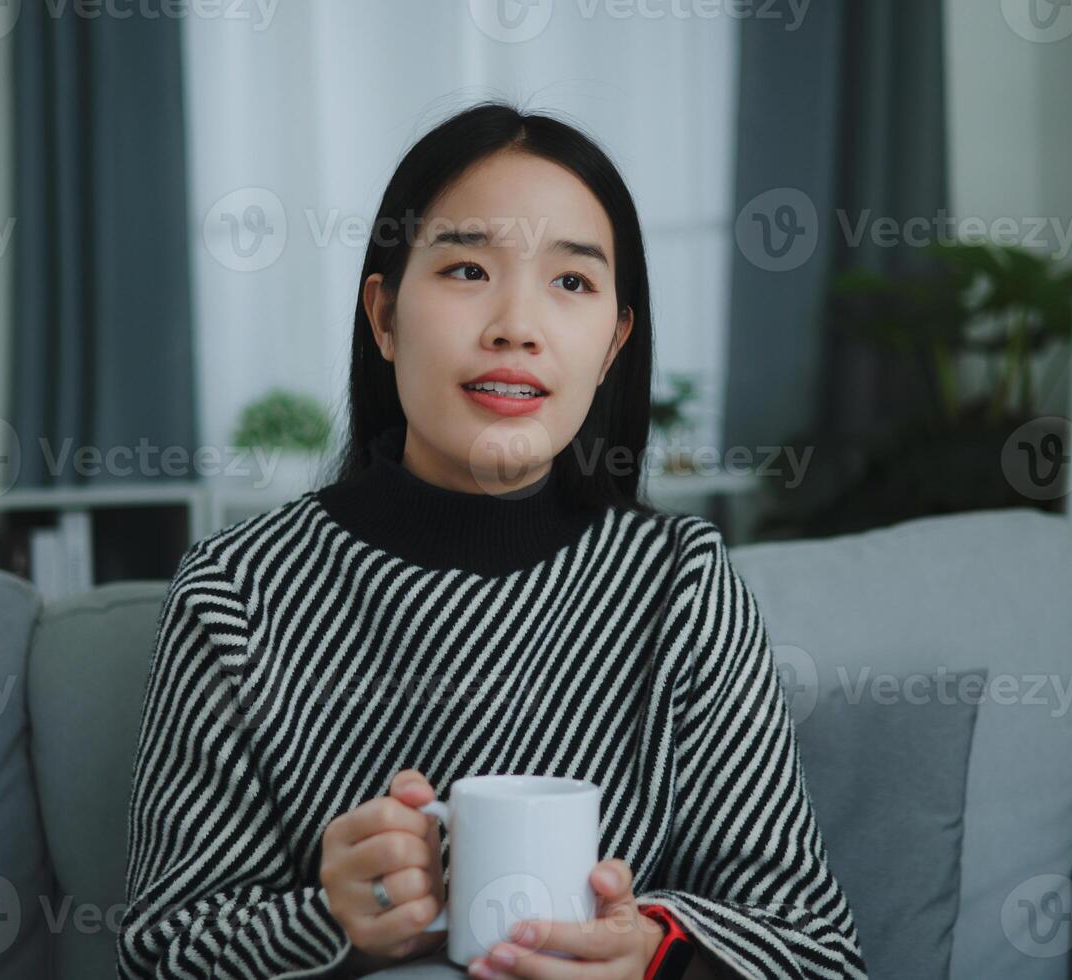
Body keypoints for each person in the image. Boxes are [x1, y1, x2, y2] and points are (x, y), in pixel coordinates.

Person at [117, 100, 866, 980]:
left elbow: (813, 946)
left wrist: (655, 950)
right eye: (467, 269)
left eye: (573, 283)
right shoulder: (236, 594)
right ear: (385, 316)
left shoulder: (680, 586)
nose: (517, 323)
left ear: (612, 346)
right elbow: (160, 951)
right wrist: (330, 923)